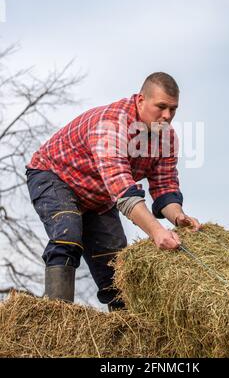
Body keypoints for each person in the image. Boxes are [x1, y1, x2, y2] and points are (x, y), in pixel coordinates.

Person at [26, 72, 202, 310]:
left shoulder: (167, 138)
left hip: (99, 197)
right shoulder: (112, 125)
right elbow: (123, 190)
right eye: (161, 107)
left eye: (173, 109)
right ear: (141, 100)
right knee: (68, 231)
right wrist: (156, 232)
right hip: (55, 176)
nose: (167, 116)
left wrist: (178, 216)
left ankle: (124, 332)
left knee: (116, 266)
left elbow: (165, 186)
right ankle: (57, 312)